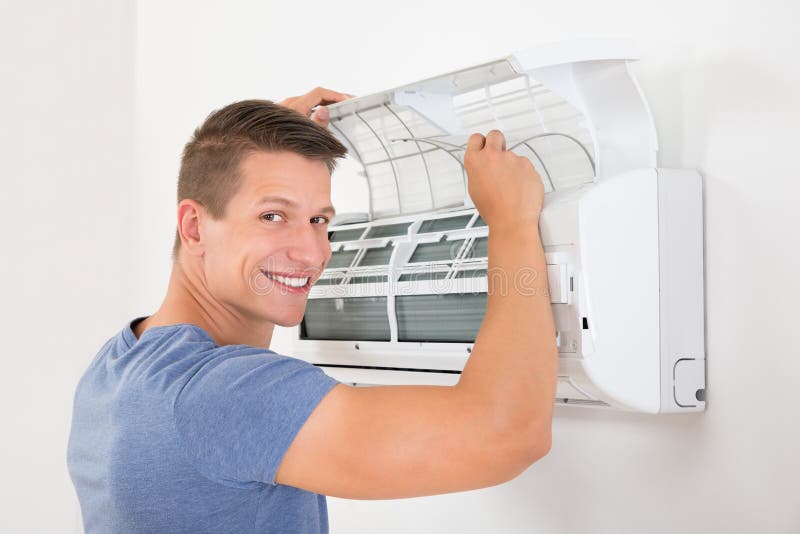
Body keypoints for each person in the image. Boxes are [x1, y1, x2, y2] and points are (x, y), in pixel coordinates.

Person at [67, 87, 557, 533]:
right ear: (194, 227)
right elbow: (507, 434)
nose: (311, 252)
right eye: (273, 216)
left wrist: (255, 149)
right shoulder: (223, 394)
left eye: (318, 219)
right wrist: (511, 220)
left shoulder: (116, 367)